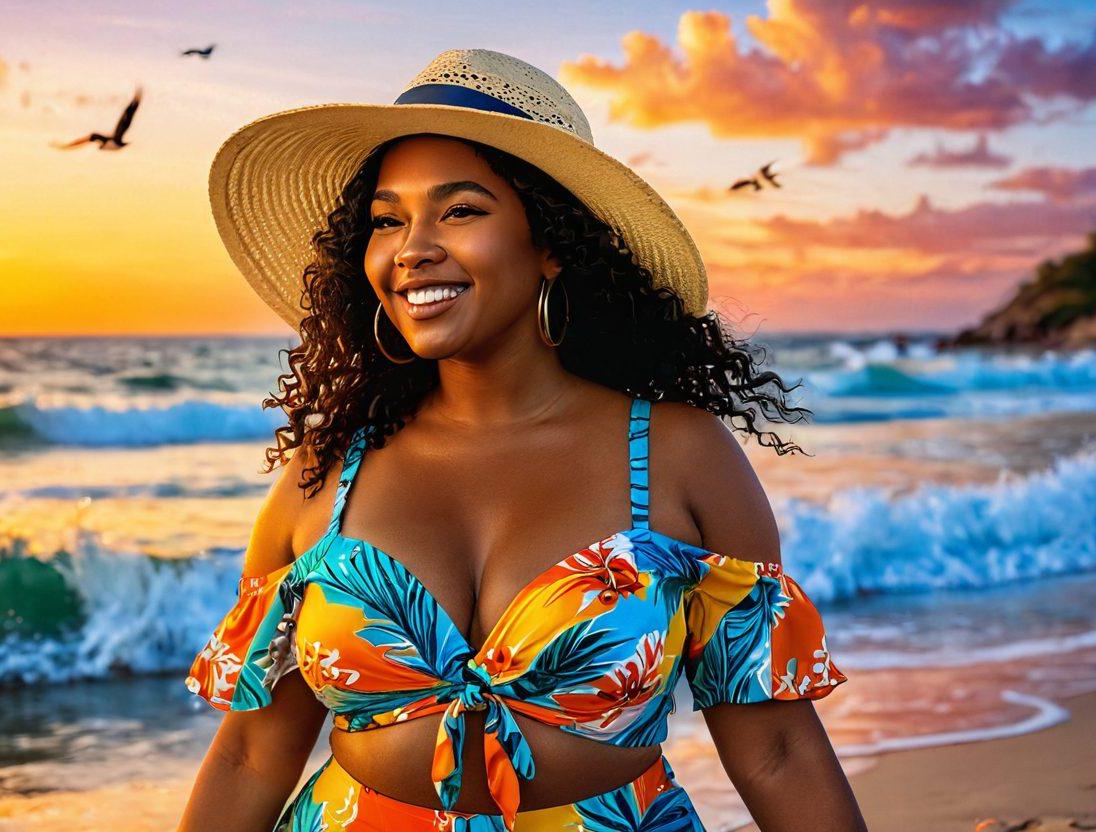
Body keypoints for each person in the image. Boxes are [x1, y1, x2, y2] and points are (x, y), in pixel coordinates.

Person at [179, 48, 865, 832]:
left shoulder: (678, 455)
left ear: (552, 242)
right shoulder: (326, 475)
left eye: (460, 211)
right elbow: (251, 756)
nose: (412, 249)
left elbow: (776, 749)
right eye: (387, 219)